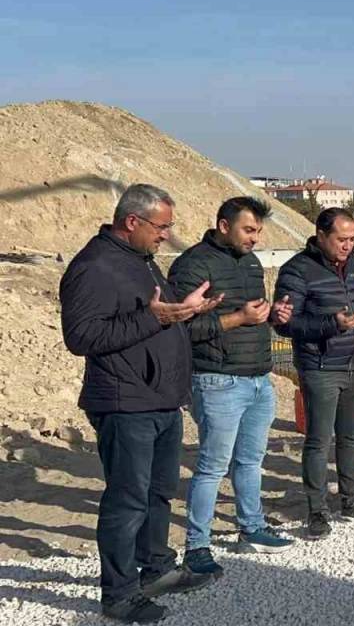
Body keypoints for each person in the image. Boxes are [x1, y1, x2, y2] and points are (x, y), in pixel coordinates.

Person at [60, 183, 223, 623]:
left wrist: (185, 312)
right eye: (161, 226)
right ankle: (118, 594)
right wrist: (152, 317)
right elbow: (81, 337)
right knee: (127, 500)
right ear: (132, 221)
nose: (166, 235)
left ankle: (156, 569)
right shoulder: (93, 267)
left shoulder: (142, 262)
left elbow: (155, 321)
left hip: (161, 401)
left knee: (157, 493)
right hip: (124, 401)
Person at [168, 196, 296, 578]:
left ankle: (251, 528)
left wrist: (273, 316)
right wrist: (238, 318)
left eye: (258, 231)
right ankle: (197, 546)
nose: (255, 238)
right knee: (211, 467)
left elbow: (252, 314)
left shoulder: (251, 263)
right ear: (224, 226)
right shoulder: (193, 265)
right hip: (217, 380)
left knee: (251, 461)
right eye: (249, 230)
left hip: (258, 377)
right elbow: (180, 328)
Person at [273, 207, 354, 539]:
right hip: (321, 368)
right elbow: (285, 324)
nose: (348, 246)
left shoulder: (353, 265)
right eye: (342, 239)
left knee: (351, 438)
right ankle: (317, 509)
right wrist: (331, 324)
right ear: (321, 236)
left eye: (353, 239)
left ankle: (351, 500)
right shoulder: (297, 271)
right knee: (318, 440)